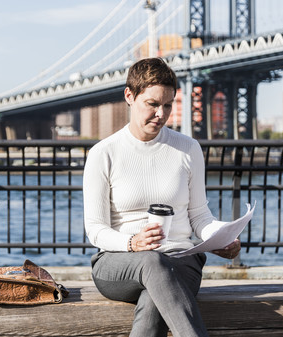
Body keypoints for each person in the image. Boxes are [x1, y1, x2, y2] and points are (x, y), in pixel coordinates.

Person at [83, 57, 241, 337]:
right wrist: (133, 243)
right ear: (129, 96)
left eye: (168, 105)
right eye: (153, 104)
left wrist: (219, 236)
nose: (161, 113)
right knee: (153, 261)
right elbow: (95, 230)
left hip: (181, 261)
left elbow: (199, 215)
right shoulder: (103, 154)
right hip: (118, 265)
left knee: (154, 298)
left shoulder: (188, 148)